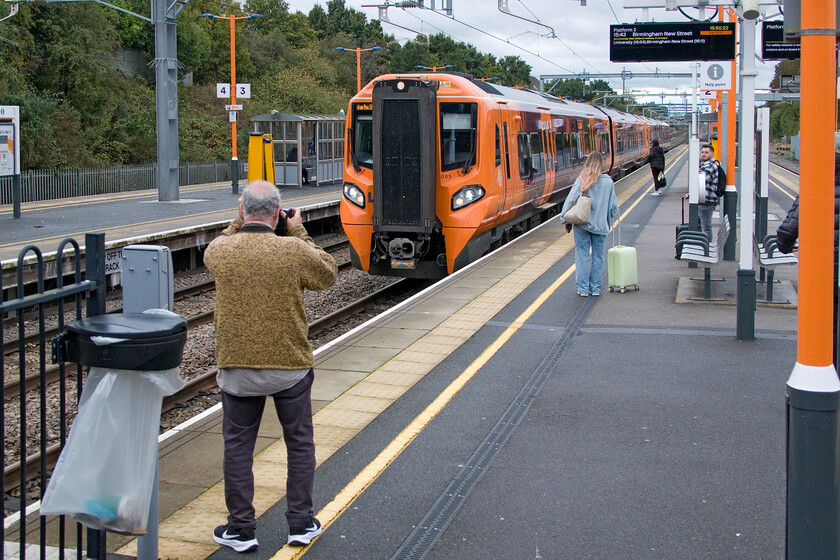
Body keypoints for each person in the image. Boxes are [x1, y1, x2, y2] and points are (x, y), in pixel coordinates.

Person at [204, 180, 338, 552]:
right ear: (278, 213)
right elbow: (328, 273)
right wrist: (299, 230)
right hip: (289, 368)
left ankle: (241, 529)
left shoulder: (221, 250)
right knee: (298, 444)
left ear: (242, 209)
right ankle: (299, 524)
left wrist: (237, 221)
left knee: (237, 448)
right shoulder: (293, 249)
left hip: (237, 371)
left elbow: (222, 241)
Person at [776, 153, 840, 369]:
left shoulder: (813, 190)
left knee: (826, 322)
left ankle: (827, 366)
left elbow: (787, 232)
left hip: (823, 270)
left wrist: (784, 247)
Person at [560, 151, 619, 297]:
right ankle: (596, 288)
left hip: (582, 224)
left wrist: (564, 219)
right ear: (601, 164)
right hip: (600, 226)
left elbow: (570, 201)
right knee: (598, 257)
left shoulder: (582, 180)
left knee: (582, 256)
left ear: (587, 163)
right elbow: (613, 207)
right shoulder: (608, 182)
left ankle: (583, 289)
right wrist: (606, 218)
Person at [687, 143, 721, 241]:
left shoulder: (711, 167)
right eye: (702, 152)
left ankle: (707, 246)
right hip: (703, 200)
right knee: (702, 226)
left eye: (706, 152)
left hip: (707, 201)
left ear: (712, 154)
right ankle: (704, 246)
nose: (703, 154)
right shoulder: (704, 165)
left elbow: (702, 181)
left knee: (706, 227)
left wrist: (692, 192)